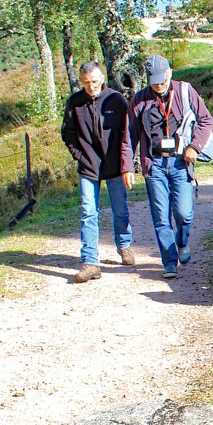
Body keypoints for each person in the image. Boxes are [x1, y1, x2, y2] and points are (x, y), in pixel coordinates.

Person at [128, 55, 213, 277]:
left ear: (170, 73)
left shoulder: (186, 91)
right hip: (154, 164)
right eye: (154, 82)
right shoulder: (139, 101)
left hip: (180, 161)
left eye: (162, 80)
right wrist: (127, 167)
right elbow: (129, 137)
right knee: (161, 217)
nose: (159, 85)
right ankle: (169, 262)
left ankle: (182, 242)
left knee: (184, 213)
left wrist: (194, 147)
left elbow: (206, 121)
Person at [60, 59, 135, 283]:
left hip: (114, 166)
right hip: (88, 167)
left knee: (120, 210)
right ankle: (90, 261)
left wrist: (126, 164)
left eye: (94, 81)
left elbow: (128, 134)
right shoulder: (74, 103)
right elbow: (67, 133)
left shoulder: (116, 100)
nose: (91, 86)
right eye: (86, 83)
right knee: (88, 212)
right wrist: (79, 155)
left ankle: (124, 245)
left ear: (101, 78)